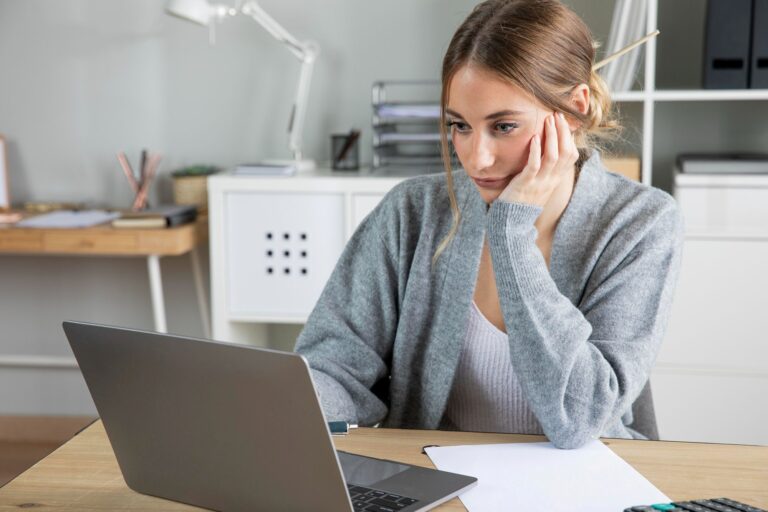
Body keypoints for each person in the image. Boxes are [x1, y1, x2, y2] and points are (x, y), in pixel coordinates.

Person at [294, 0, 683, 449]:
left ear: (574, 110)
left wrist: (512, 234)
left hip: (582, 483)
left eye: (503, 126)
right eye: (459, 125)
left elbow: (580, 418)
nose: (476, 158)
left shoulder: (640, 222)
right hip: (438, 478)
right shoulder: (411, 212)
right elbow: (334, 368)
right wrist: (286, 407)